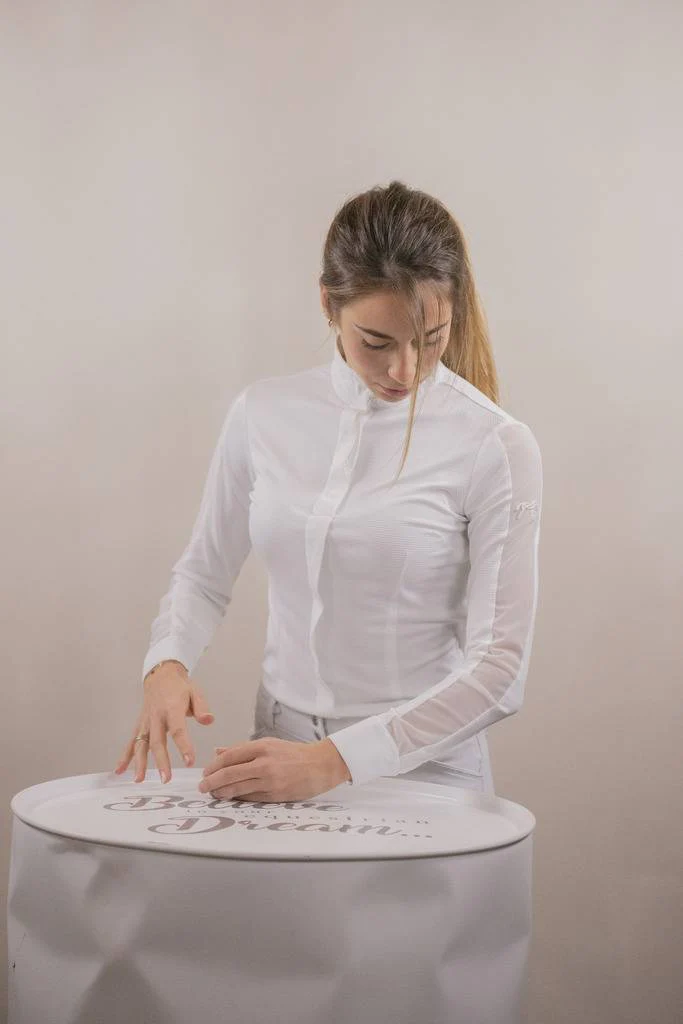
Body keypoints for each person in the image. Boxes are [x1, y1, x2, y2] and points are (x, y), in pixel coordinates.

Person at [114, 180, 543, 803]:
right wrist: (166, 662)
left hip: (421, 768)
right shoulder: (263, 413)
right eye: (377, 342)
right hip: (276, 749)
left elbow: (500, 669)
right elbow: (204, 573)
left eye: (431, 339)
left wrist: (333, 762)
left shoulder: (495, 444)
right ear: (328, 305)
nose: (405, 370)